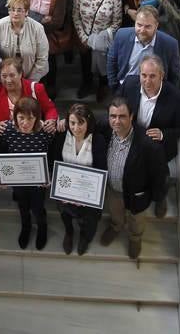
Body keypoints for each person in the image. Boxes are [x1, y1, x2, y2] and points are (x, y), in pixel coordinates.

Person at [98, 97, 169, 257]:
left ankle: (135, 238)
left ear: (131, 116)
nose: (116, 121)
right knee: (115, 212)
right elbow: (83, 124)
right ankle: (116, 226)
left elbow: (159, 175)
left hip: (137, 193)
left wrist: (158, 197)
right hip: (113, 188)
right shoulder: (104, 128)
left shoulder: (148, 144)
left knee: (137, 219)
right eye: (113, 116)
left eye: (122, 116)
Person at [0, 97, 55, 250]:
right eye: (21, 118)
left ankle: (42, 228)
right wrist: (0, 175)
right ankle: (26, 227)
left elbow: (52, 154)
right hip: (18, 179)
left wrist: (49, 174)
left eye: (30, 118)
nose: (25, 123)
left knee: (38, 207)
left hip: (39, 181)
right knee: (22, 206)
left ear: (37, 117)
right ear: (14, 116)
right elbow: (2, 151)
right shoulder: (8, 130)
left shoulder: (44, 132)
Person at [49, 103, 107, 255]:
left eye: (81, 122)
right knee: (65, 214)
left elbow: (101, 169)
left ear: (88, 122)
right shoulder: (61, 136)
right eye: (72, 122)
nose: (76, 127)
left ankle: (85, 237)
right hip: (65, 190)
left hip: (87, 192)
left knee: (88, 220)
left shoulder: (98, 140)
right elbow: (55, 161)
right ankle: (69, 233)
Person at [120, 54, 180, 165]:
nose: (147, 81)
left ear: (161, 75)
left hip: (157, 147)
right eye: (144, 75)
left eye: (152, 76)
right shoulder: (129, 84)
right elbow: (117, 107)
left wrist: (163, 134)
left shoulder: (177, 98)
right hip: (130, 137)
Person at [72, 0, 123, 99]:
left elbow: (117, 22)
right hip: (85, 37)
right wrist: (83, 37)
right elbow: (75, 16)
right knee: (85, 63)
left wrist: (104, 36)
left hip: (104, 39)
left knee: (103, 67)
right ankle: (87, 84)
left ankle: (102, 86)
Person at [20, 0, 70, 94]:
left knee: (49, 59)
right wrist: (41, 19)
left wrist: (32, 18)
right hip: (27, 31)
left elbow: (57, 22)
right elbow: (20, 9)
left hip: (48, 33)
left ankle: (50, 87)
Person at [108, 7, 180, 90]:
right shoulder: (121, 35)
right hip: (124, 89)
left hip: (154, 92)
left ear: (156, 25)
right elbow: (112, 60)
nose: (142, 30)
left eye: (147, 27)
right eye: (139, 25)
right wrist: (114, 86)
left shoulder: (170, 44)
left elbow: (175, 75)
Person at [0, 58, 58, 132]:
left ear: (20, 74)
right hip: (6, 138)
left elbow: (50, 109)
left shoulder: (36, 88)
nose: (8, 80)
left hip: (33, 135)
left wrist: (50, 120)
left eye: (12, 75)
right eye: (4, 76)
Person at [0, 0, 49, 82]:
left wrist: (30, 81)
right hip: (5, 80)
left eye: (19, 10)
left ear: (27, 12)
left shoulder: (38, 28)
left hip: (32, 78)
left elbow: (42, 59)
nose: (15, 13)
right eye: (12, 9)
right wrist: (6, 78)